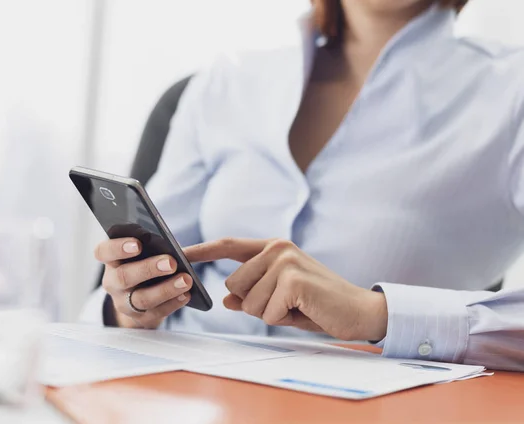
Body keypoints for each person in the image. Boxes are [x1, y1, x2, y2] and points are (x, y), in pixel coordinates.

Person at [82, 0, 524, 372]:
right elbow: (121, 293)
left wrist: (376, 315)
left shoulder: (511, 94)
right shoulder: (226, 81)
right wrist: (128, 307)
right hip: (171, 391)